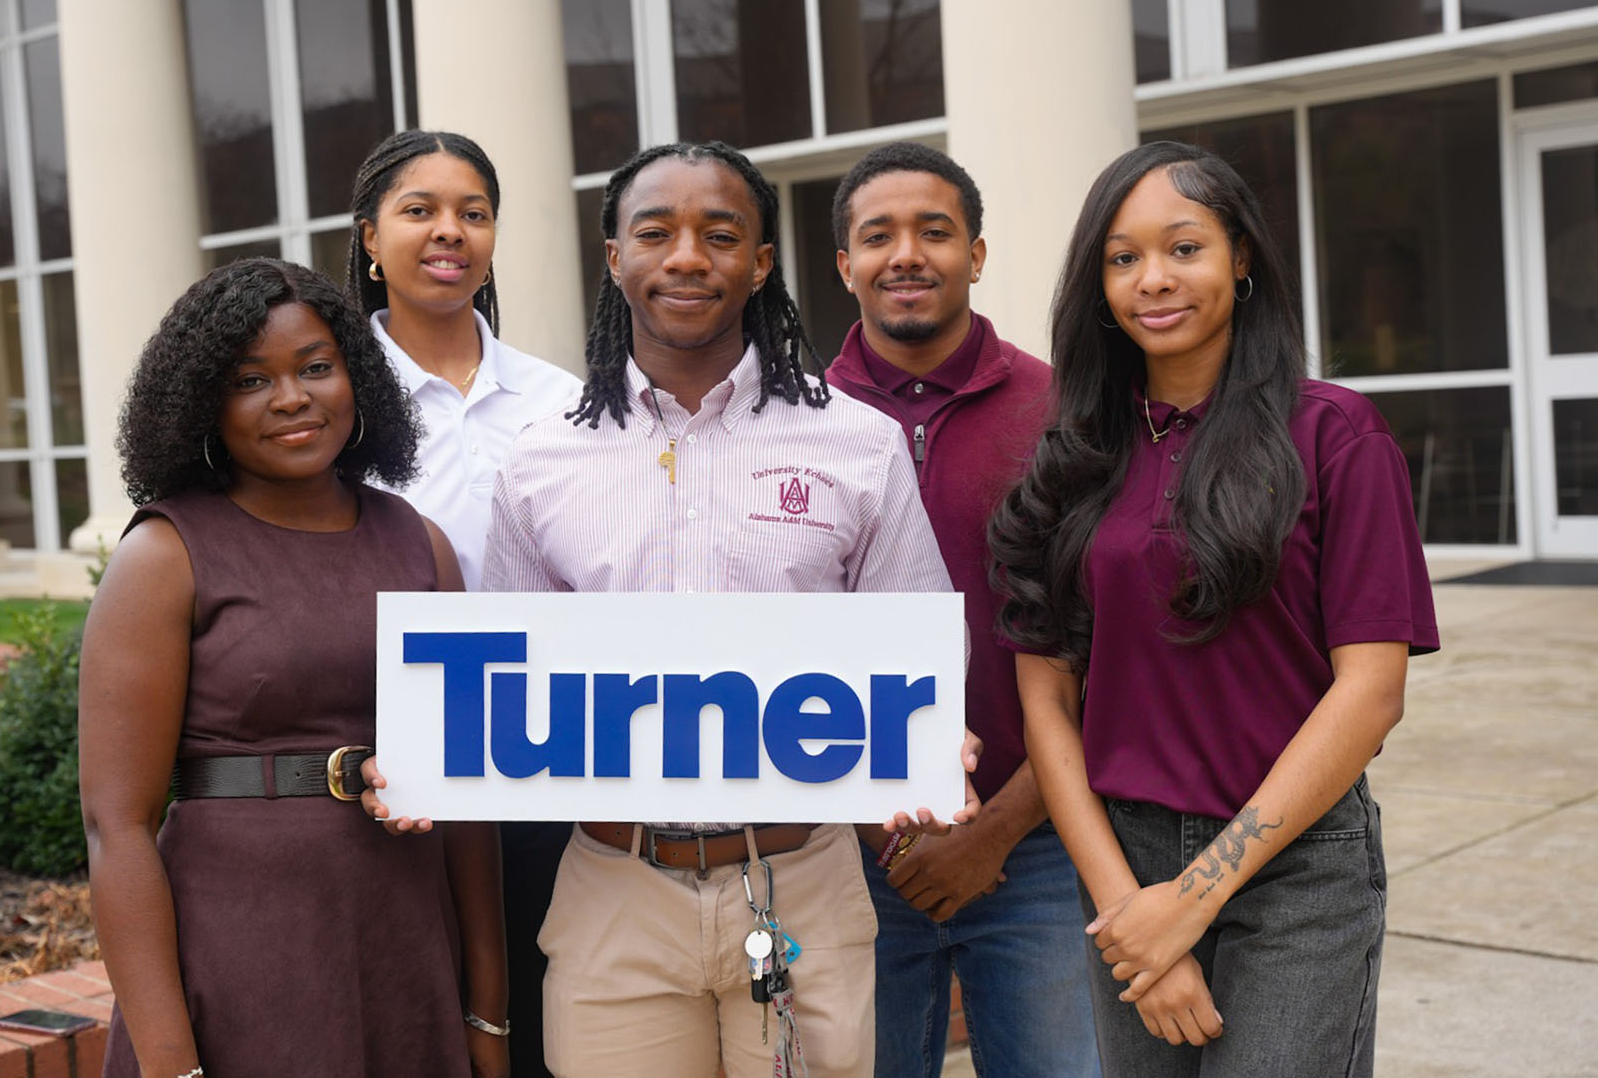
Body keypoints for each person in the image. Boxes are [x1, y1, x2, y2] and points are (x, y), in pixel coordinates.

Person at [364, 140, 976, 1078]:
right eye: (655, 232)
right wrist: (429, 759)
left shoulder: (859, 443)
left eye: (721, 234)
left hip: (802, 882)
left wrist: (941, 737)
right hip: (614, 890)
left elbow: (922, 642)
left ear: (762, 261)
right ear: (615, 258)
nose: (687, 256)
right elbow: (512, 685)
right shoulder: (541, 458)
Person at [990, 141, 1437, 1077]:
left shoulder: (1334, 434)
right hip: (1124, 857)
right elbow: (1048, 705)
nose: (1153, 279)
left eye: (1183, 248)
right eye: (1123, 258)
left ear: (1240, 257)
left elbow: (1371, 692)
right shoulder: (1073, 457)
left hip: (1297, 863)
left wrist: (1193, 897)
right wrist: (1128, 911)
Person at [80, 259, 507, 1078]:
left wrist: (488, 1010)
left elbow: (471, 800)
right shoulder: (164, 554)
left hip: (402, 937)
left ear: (357, 374)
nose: (291, 397)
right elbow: (117, 826)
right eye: (250, 379)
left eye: (316, 366)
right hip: (238, 948)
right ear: (205, 401)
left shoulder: (422, 544)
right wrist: (171, 1064)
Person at [823, 142, 1099, 1078]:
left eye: (934, 232)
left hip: (1040, 848)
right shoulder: (793, 424)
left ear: (976, 254)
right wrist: (881, 831)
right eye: (879, 235)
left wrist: (996, 832)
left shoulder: (1067, 412)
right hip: (851, 855)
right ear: (844, 265)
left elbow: (1113, 649)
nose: (907, 253)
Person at [347, 128, 582, 1077]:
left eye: (473, 214)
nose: (451, 232)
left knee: (534, 1014)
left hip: (543, 756)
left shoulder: (561, 399)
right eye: (420, 210)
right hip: (385, 767)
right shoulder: (333, 401)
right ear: (369, 237)